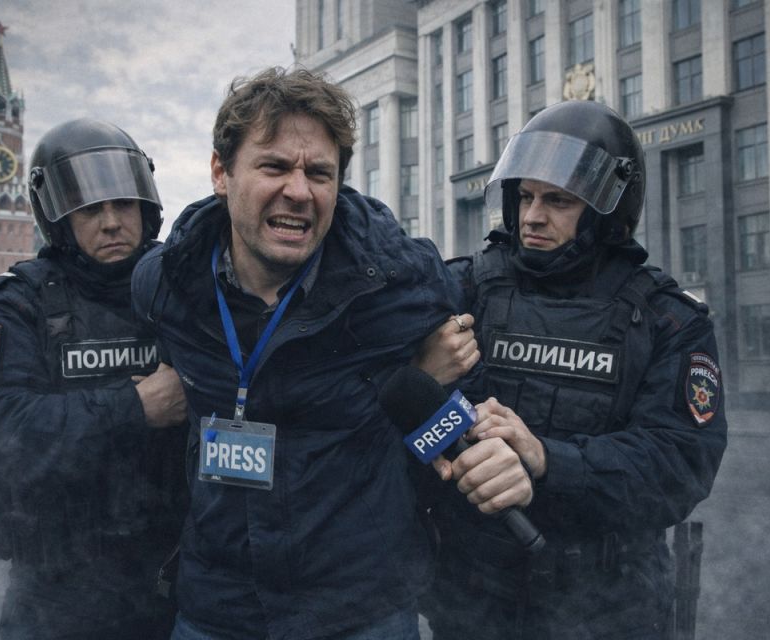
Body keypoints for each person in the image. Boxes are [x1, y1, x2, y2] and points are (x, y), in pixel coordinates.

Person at [131, 66, 525, 640]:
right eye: (274, 166)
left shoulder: (400, 282)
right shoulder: (166, 284)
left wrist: (487, 444)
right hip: (217, 610)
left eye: (319, 173)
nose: (299, 191)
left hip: (360, 613)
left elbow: (470, 398)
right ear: (221, 172)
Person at [421, 100, 728, 640]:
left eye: (558, 200)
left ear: (608, 209)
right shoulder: (466, 288)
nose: (532, 216)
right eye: (525, 196)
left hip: (608, 610)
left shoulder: (666, 319)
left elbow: (681, 464)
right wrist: (424, 370)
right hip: (474, 604)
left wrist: (546, 460)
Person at [0, 118, 188, 640]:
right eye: (89, 209)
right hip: (55, 595)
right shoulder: (19, 301)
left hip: (172, 583)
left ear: (146, 208)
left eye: (123, 204)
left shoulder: (185, 291)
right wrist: (134, 407)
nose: (111, 223)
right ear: (59, 219)